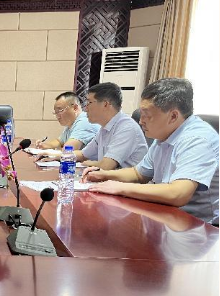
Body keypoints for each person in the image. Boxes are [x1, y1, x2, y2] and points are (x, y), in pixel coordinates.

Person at [83, 78, 219, 225]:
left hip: (200, 226)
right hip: (166, 215)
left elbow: (178, 194)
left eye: (146, 115)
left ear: (173, 116)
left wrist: (120, 187)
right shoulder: (164, 135)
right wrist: (103, 174)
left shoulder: (197, 139)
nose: (140, 121)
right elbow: (138, 174)